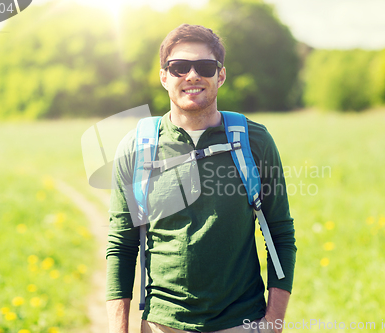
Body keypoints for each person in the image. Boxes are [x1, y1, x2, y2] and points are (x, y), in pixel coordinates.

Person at [106, 24, 296, 333]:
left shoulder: (254, 141)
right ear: (164, 76)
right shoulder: (136, 148)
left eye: (205, 66)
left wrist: (273, 323)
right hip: (160, 324)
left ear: (220, 75)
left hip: (241, 322)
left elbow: (280, 234)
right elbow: (121, 245)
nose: (192, 75)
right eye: (179, 67)